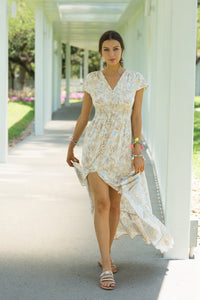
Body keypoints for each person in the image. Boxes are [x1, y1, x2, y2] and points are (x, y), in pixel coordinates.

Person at [66, 30, 174, 290]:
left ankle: (106, 255)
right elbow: (84, 116)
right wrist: (71, 145)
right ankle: (106, 265)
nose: (111, 54)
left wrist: (137, 151)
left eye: (115, 48)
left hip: (122, 150)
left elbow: (136, 118)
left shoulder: (135, 80)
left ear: (122, 50)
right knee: (101, 205)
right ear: (100, 52)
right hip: (96, 147)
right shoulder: (93, 80)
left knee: (115, 206)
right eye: (106, 49)